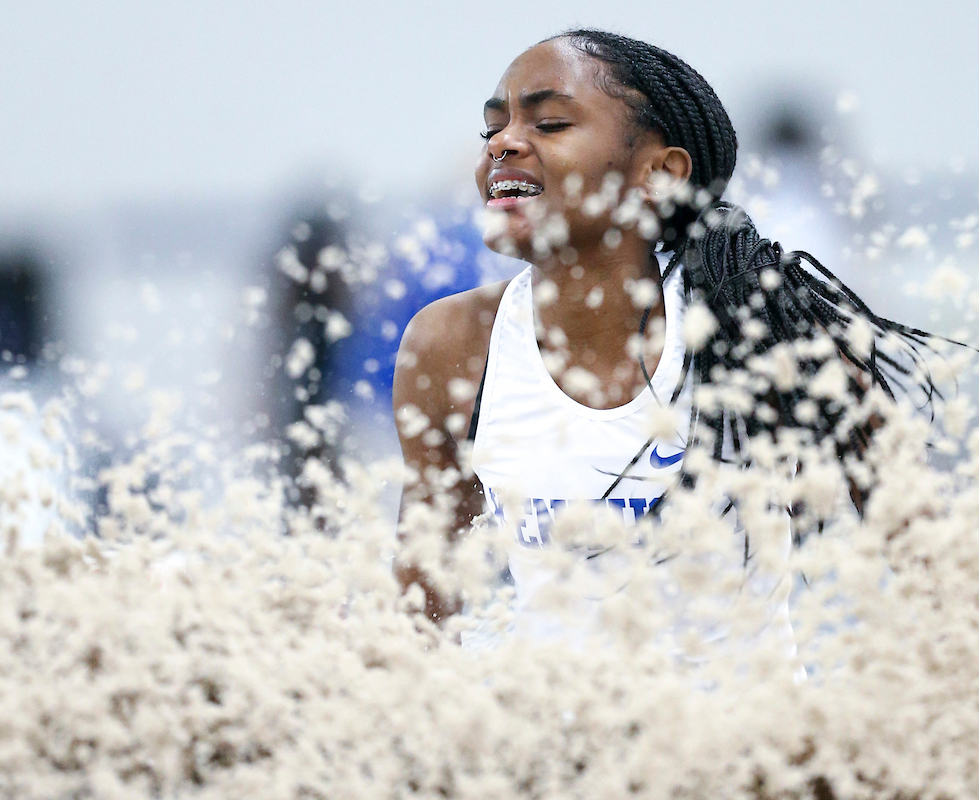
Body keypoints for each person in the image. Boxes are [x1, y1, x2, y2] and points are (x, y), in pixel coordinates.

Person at [392, 30, 934, 633]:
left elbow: (931, 568)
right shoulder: (453, 344)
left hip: (744, 726)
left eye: (548, 123)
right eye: (492, 128)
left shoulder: (764, 332)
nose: (504, 143)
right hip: (541, 725)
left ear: (659, 173)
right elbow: (424, 612)